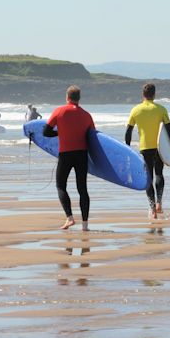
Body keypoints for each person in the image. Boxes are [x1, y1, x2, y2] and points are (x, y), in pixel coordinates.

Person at [42, 86, 95, 231]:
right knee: (82, 189)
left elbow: (45, 132)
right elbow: (92, 137)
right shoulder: (86, 115)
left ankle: (70, 218)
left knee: (60, 186)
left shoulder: (59, 111)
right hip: (82, 155)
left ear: (67, 97)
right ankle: (85, 225)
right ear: (79, 98)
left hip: (66, 154)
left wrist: (60, 133)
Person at [125, 83, 170, 220]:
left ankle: (152, 208)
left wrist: (127, 148)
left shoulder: (136, 110)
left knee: (148, 178)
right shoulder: (161, 109)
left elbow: (128, 131)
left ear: (142, 95)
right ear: (154, 94)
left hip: (145, 149)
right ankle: (159, 203)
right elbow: (169, 129)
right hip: (159, 148)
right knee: (159, 173)